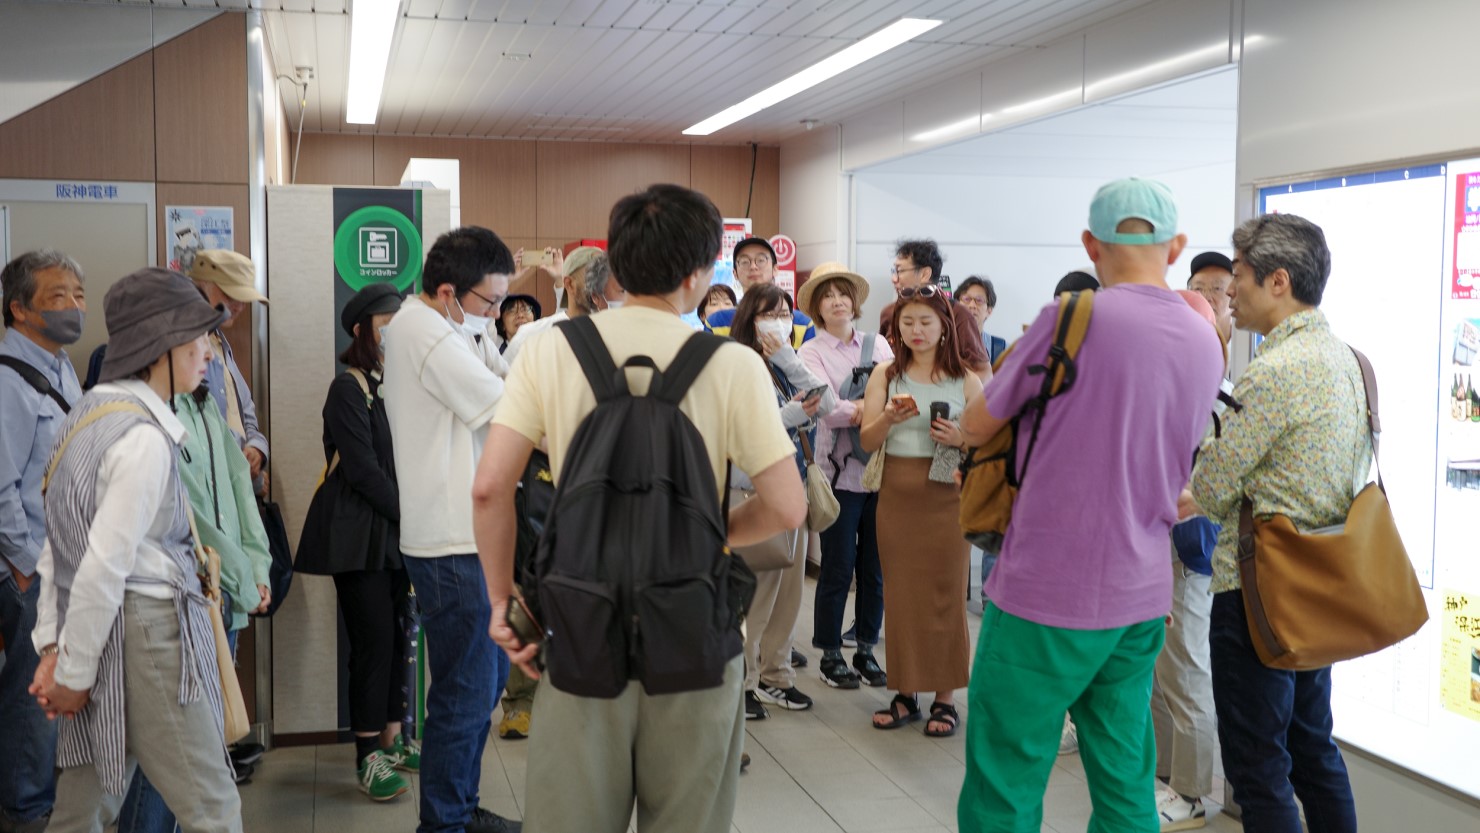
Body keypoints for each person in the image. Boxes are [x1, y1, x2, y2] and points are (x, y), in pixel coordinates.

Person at [473, 183, 805, 833]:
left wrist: (503, 603)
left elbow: (490, 487)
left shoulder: (549, 347)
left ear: (614, 266)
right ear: (704, 270)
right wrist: (711, 534)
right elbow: (787, 507)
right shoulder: (733, 363)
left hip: (578, 623)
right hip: (694, 629)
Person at [956, 178, 1224, 832]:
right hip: (1140, 596)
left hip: (1046, 590)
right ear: (1177, 246)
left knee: (1007, 773)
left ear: (1090, 244)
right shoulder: (1203, 339)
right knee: (1125, 772)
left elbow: (976, 423)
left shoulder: (1071, 317)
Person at [30, 267, 243, 833]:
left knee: (86, 806)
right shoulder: (144, 438)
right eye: (197, 337)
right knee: (212, 805)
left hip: (100, 632)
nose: (209, 352)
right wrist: (69, 672)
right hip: (150, 633)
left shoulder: (87, 415)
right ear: (160, 346)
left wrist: (56, 648)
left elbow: (59, 552)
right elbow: (102, 566)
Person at [1189, 214, 1365, 833]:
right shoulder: (1348, 361)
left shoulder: (1271, 371)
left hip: (1257, 591)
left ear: (1279, 281)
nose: (1229, 291)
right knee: (1314, 749)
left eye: (1237, 276)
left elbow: (1210, 487)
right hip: (1320, 581)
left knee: (1259, 767)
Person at [382, 227, 520, 833]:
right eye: (491, 303)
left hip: (468, 539)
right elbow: (507, 406)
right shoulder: (423, 332)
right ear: (446, 291)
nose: (496, 314)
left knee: (482, 688)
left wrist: (486, 329)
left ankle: (457, 806)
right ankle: (444, 823)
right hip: (450, 543)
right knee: (465, 695)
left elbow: (501, 379)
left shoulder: (451, 327)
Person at [293, 283, 418, 801]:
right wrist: (411, 514)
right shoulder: (348, 388)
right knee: (372, 643)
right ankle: (367, 754)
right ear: (363, 330)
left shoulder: (398, 383)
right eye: (387, 325)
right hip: (358, 535)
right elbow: (363, 470)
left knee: (396, 634)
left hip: (393, 533)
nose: (396, 334)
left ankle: (393, 737)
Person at [860, 282, 982, 738]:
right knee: (903, 595)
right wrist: (887, 419)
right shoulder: (885, 376)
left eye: (924, 322)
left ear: (944, 327)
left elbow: (991, 438)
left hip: (948, 494)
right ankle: (905, 692)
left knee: (947, 596)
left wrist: (960, 438)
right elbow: (867, 441)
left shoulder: (966, 378)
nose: (915, 330)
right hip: (897, 494)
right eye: (906, 322)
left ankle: (946, 698)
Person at [0, 250, 84, 833]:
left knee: (52, 694)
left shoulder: (62, 366)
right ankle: (27, 813)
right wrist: (27, 567)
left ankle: (46, 803)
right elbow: (2, 484)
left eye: (78, 295)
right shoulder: (8, 378)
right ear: (19, 309)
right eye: (58, 297)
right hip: (29, 569)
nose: (74, 307)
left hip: (61, 563)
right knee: (33, 699)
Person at [728, 283, 835, 719]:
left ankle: (777, 676)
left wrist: (788, 358)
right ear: (749, 319)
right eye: (768, 314)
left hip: (788, 488)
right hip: (750, 490)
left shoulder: (784, 363)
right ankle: (746, 683)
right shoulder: (734, 362)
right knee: (757, 592)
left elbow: (826, 402)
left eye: (785, 314)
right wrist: (793, 415)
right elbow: (741, 429)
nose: (778, 321)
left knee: (789, 593)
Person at [1149, 290, 1228, 831]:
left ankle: (1194, 794)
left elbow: (1189, 483)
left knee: (1186, 673)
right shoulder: (1174, 392)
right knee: (1162, 672)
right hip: (1160, 553)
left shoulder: (1210, 400)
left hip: (1187, 555)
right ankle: (1164, 778)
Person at [796, 263, 892, 690]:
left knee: (876, 568)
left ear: (855, 302)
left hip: (880, 473)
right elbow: (820, 404)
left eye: (843, 294)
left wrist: (862, 410)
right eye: (827, 296)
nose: (837, 301)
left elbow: (898, 391)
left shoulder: (881, 344)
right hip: (837, 474)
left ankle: (867, 647)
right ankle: (831, 652)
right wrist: (871, 412)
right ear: (817, 307)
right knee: (838, 566)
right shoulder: (810, 351)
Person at [186, 250, 270, 497]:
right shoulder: (185, 351)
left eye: (244, 298)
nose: (239, 306)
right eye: (231, 295)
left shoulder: (221, 345)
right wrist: (243, 467)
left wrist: (256, 450)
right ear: (201, 290)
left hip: (231, 489)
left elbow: (248, 418)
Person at [876, 239, 989, 377]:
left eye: (899, 271)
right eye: (907, 322)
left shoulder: (958, 314)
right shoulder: (889, 312)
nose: (894, 278)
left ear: (925, 274)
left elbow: (982, 371)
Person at [502, 246, 612, 364]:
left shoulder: (616, 331)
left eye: (605, 278)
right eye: (592, 278)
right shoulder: (532, 335)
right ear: (569, 284)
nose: (601, 286)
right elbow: (503, 377)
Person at [704, 237, 814, 346]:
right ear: (735, 273)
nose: (753, 266)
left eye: (761, 260)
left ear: (775, 269)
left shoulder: (802, 324)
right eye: (745, 262)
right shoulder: (717, 323)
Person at [1186, 252, 1235, 350]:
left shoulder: (1246, 348)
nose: (1206, 298)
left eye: (1217, 288)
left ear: (1234, 295)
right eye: (1198, 289)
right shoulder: (1182, 343)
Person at [955, 275, 1007, 363]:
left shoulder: (1001, 348)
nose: (972, 305)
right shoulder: (941, 344)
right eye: (966, 299)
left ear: (989, 311)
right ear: (955, 306)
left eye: (979, 300)